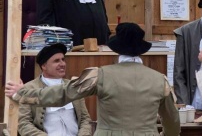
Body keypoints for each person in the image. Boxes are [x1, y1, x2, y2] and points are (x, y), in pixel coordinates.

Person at [6, 23, 180, 136]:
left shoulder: (99, 75)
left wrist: (22, 94)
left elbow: (62, 94)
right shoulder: (160, 80)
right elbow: (172, 123)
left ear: (117, 48)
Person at [5, 43, 92, 136]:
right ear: (44, 66)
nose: (62, 64)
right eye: (56, 61)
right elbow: (24, 124)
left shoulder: (74, 86)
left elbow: (85, 119)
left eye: (63, 59)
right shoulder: (29, 88)